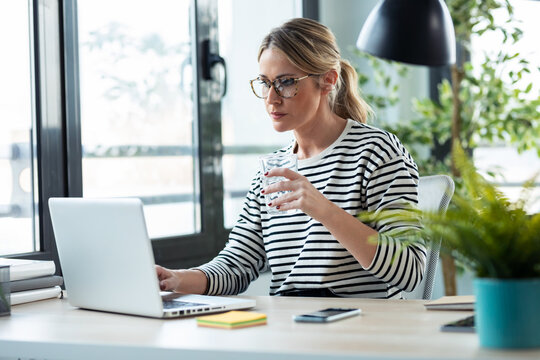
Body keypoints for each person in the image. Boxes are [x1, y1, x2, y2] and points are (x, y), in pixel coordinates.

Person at [156, 18, 425, 299]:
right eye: (265, 83)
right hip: (289, 330)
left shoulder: (376, 152)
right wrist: (175, 279)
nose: (271, 98)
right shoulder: (271, 170)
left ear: (328, 80)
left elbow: (409, 269)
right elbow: (237, 266)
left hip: (359, 331)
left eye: (286, 82)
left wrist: (323, 209)